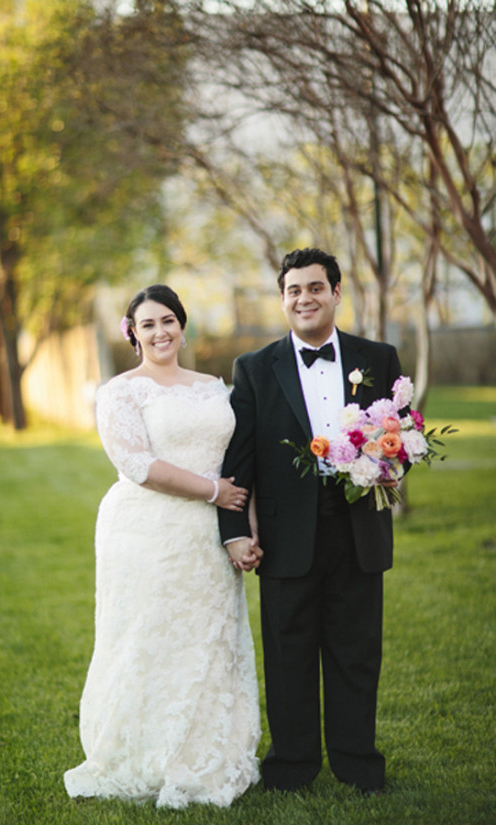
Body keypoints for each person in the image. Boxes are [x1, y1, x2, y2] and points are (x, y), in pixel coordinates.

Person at [64, 284, 261, 809]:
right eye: (148, 324)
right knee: (148, 637)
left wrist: (242, 521)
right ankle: (146, 754)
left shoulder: (214, 386)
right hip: (147, 532)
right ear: (133, 333)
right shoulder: (121, 392)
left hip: (207, 535)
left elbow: (237, 459)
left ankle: (210, 751)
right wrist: (213, 491)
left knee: (207, 640)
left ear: (182, 324)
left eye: (168, 320)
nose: (160, 331)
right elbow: (136, 464)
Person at [218, 247, 403, 795]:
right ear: (282, 300)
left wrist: (385, 462)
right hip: (284, 534)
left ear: (336, 293)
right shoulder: (254, 369)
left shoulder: (380, 358)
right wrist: (234, 531)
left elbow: (402, 439)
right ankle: (292, 766)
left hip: (358, 529)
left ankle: (358, 763)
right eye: (294, 290)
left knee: (356, 651)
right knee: (288, 652)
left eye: (315, 287)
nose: (305, 298)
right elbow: (240, 458)